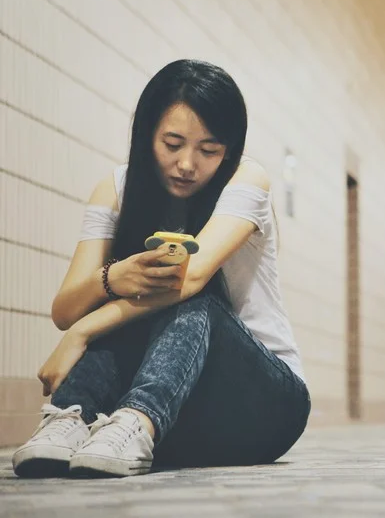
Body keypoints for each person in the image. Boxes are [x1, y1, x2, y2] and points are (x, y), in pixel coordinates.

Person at [13, 60, 310, 478]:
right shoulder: (116, 189)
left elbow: (188, 279)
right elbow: (65, 309)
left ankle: (139, 419)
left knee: (189, 295)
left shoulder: (247, 180)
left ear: (229, 149)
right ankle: (68, 421)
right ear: (147, 134)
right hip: (184, 413)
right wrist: (112, 278)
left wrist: (83, 331)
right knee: (130, 308)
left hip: (265, 404)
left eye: (209, 151)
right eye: (173, 143)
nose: (188, 164)